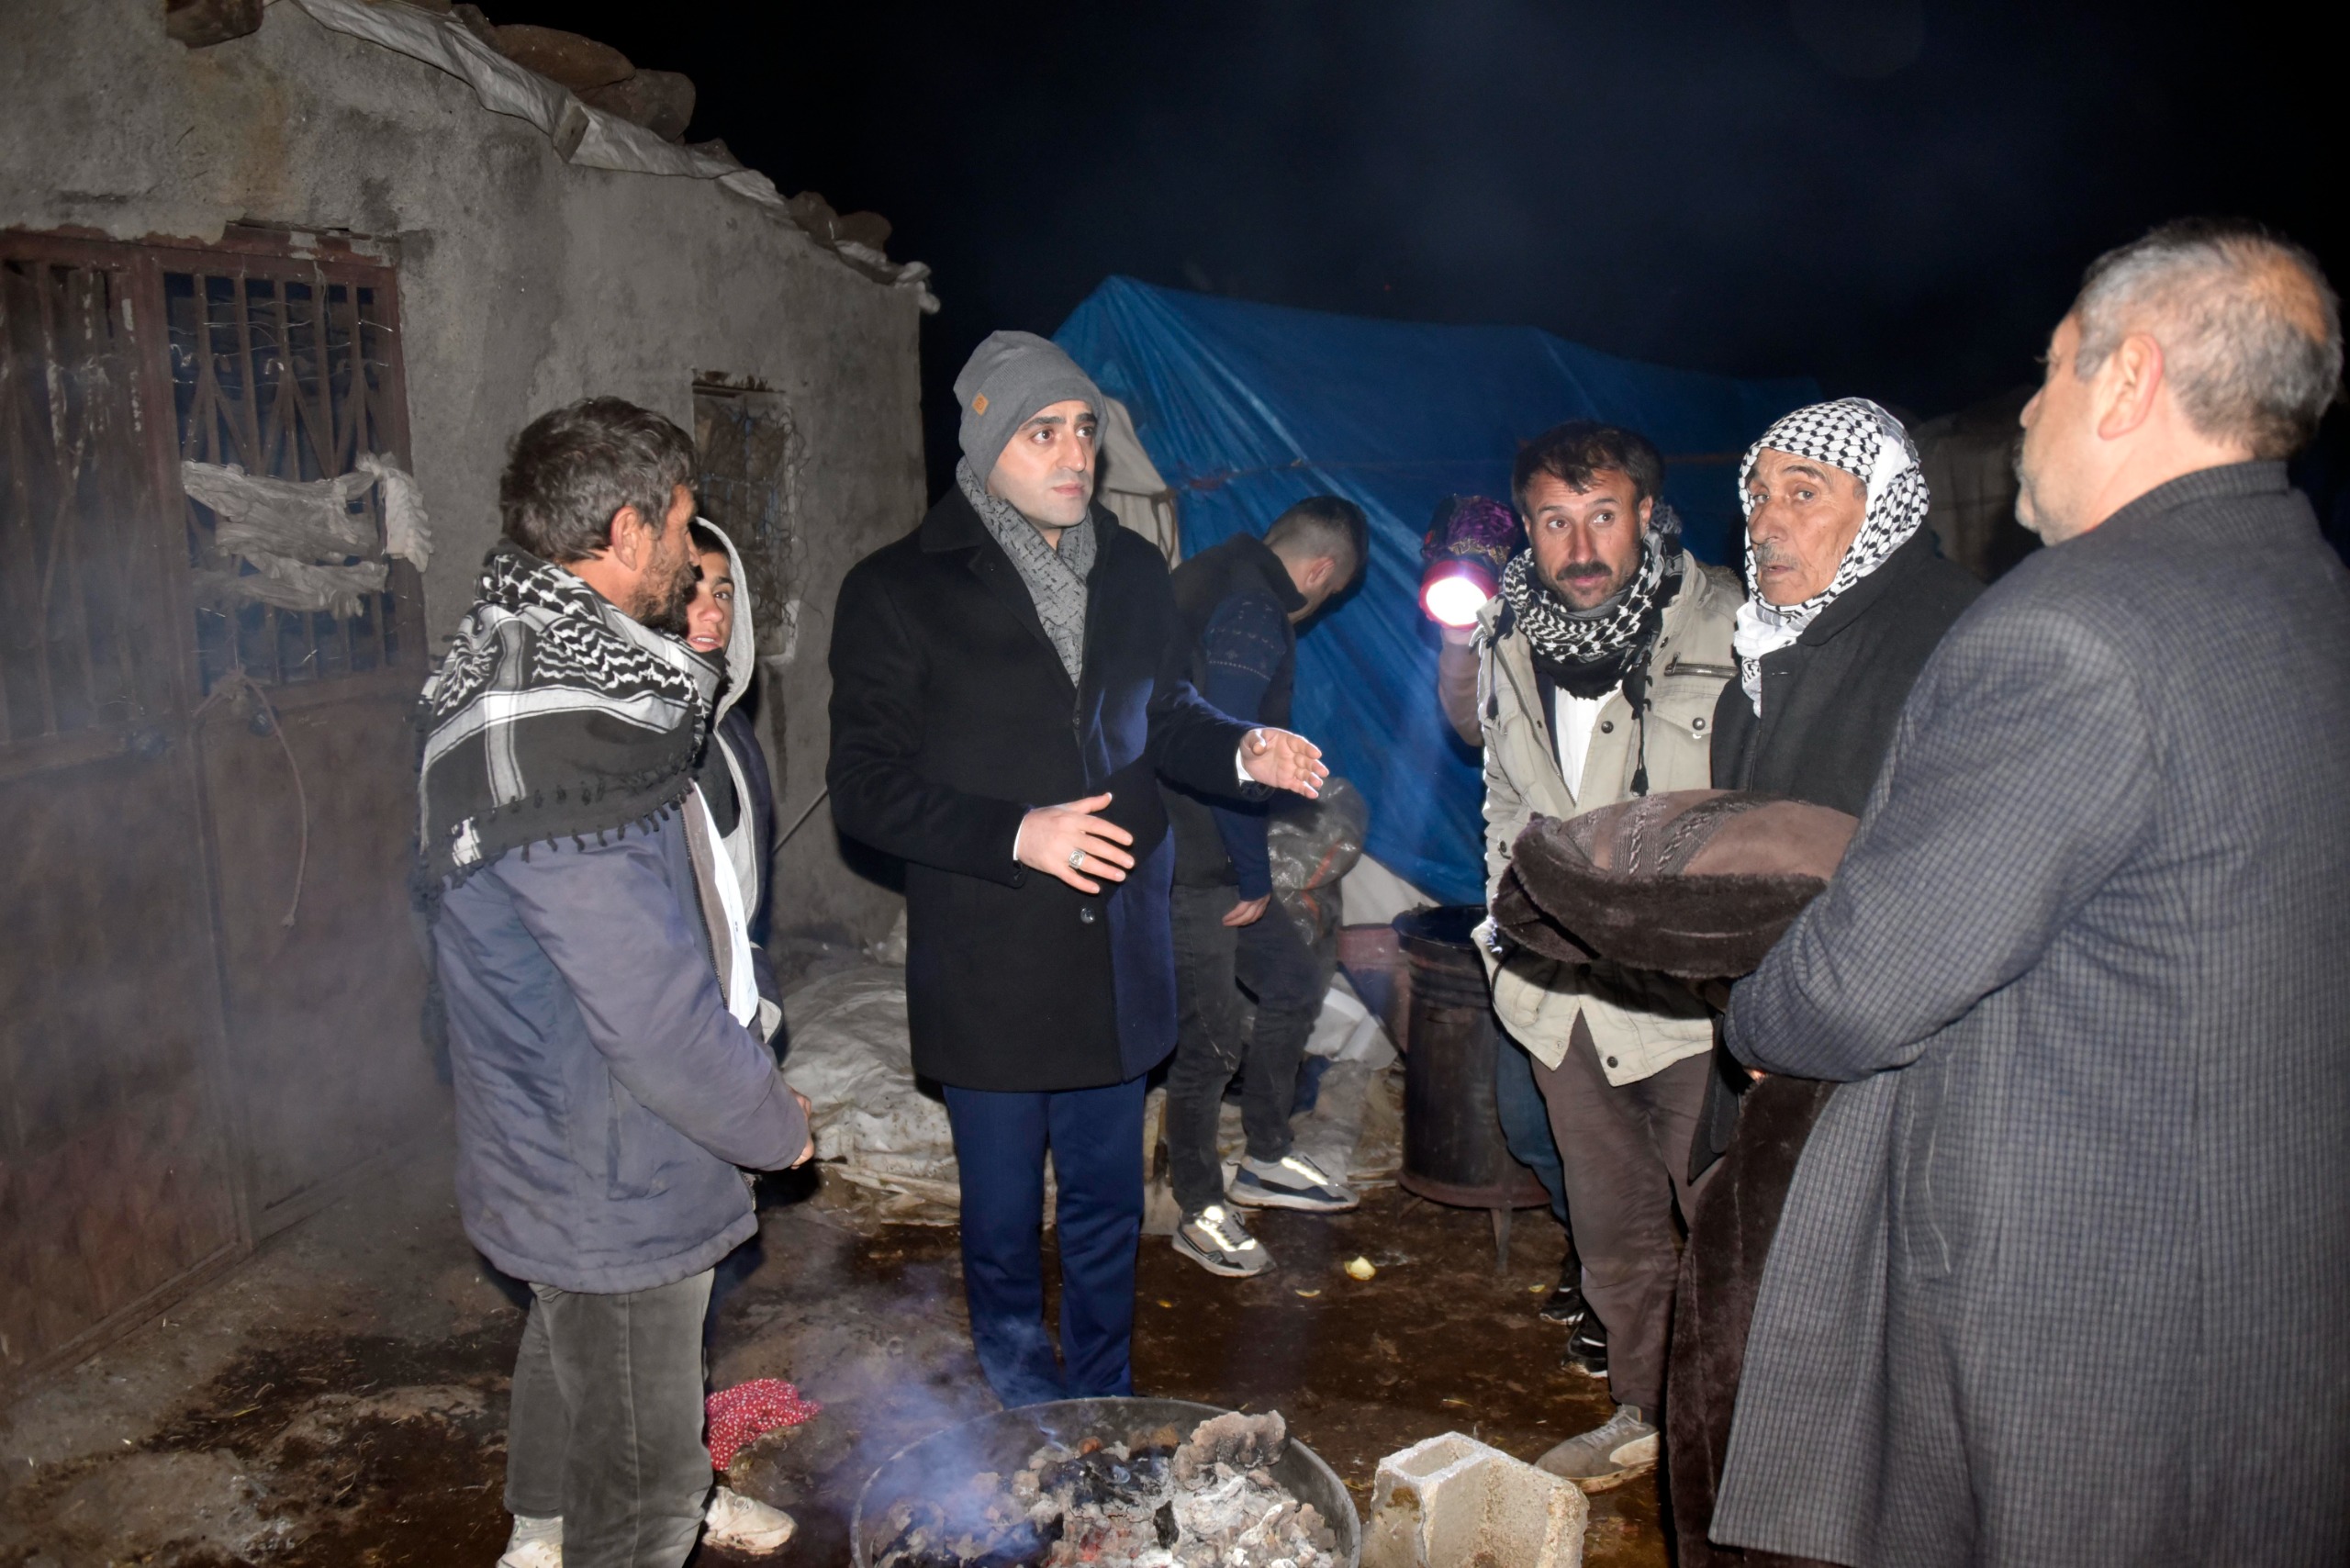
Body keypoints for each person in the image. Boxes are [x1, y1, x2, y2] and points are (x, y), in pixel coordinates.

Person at [1710, 220, 2350, 1566]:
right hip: (2255, 1261)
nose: (2027, 419)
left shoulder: (2074, 631)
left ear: (2127, 382)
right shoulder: (2304, 594)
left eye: (2051, 373)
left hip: (2078, 1294)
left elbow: (1864, 982)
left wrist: (1752, 1016)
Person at [826, 331, 1329, 1407]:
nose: (1073, 455)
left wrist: (1239, 748)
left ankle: (1103, 1410)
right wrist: (1016, 830)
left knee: (1106, 1214)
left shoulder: (1136, 571)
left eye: (1084, 430)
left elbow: (1167, 716)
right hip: (993, 966)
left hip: (1117, 960)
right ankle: (1023, 1419)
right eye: (1040, 431)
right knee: (1005, 1227)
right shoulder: (899, 589)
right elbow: (864, 785)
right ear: (983, 442)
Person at [419, 398, 812, 1568]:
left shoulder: (528, 659)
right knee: (643, 1488)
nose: (699, 557)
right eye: (687, 529)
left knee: (574, 1334)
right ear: (629, 531)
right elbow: (645, 1008)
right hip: (605, 1142)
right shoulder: (554, 733)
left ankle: (539, 1529)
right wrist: (769, 1119)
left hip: (550, 1122)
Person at [1664, 398, 1979, 1568]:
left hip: (1873, 1075)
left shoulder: (1945, 640)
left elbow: (1929, 883)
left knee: (1840, 1370)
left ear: (1883, 507)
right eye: (1758, 494)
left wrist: (1794, 1015)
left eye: (1806, 495)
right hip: (1763, 1046)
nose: (1769, 521)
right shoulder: (1776, 644)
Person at [1469, 421, 1740, 1484]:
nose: (1578, 547)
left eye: (1601, 515)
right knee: (1611, 1227)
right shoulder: (1503, 631)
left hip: (1688, 998)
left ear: (1647, 516)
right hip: (1560, 993)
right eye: (1552, 520)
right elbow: (1500, 793)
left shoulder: (1729, 623)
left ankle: (1728, 1437)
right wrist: (1505, 931)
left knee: (1717, 1218)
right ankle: (1640, 1412)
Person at [1160, 496, 1369, 1277]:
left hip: (1203, 845)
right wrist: (1250, 871)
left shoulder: (1207, 577)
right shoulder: (1253, 611)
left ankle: (1266, 1156)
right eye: (1328, 594)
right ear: (1319, 572)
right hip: (1194, 857)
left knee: (1288, 980)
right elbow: (1232, 750)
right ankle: (1198, 1206)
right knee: (1210, 1041)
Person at [1433, 496, 1585, 1333]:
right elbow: (1467, 725)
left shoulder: (1625, 626)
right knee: (1528, 1116)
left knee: (1620, 1119)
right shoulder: (1496, 626)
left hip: (1612, 908)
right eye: (1556, 522)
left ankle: (1609, 1272)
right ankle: (1585, 1243)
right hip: (1527, 909)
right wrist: (1461, 636)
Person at [686, 519, 780, 1032]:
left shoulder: (731, 734)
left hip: (727, 1014)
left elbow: (739, 911)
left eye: (723, 592)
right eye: (689, 589)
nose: (712, 612)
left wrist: (756, 1023)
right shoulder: (634, 742)